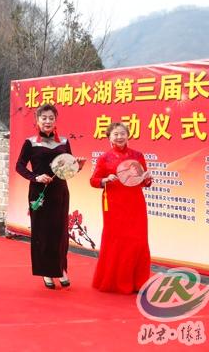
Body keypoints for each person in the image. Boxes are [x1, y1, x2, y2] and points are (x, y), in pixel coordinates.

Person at [15, 103, 82, 289]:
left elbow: (69, 167)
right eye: (43, 118)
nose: (47, 121)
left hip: (60, 192)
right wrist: (35, 177)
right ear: (37, 120)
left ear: (55, 120)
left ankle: (61, 269)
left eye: (51, 118)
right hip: (39, 193)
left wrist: (79, 166)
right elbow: (19, 166)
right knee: (42, 232)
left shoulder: (64, 142)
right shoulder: (30, 142)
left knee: (60, 232)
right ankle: (46, 271)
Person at [89, 121, 152, 293]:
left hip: (135, 203)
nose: (119, 137)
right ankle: (115, 282)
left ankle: (138, 283)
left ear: (128, 135)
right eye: (115, 134)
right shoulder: (104, 158)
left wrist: (147, 179)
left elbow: (144, 181)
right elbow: (93, 181)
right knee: (116, 241)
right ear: (109, 137)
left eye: (122, 133)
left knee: (137, 241)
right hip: (114, 204)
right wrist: (105, 180)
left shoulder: (138, 155)